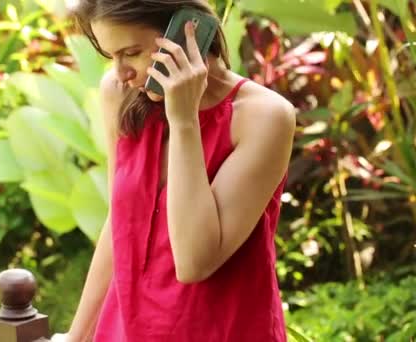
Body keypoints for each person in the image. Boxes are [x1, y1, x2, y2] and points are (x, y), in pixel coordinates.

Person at [57, 0, 295, 341]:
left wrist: (184, 122)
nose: (121, 72)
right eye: (112, 56)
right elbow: (121, 224)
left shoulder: (264, 117)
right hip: (125, 331)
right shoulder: (121, 94)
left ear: (188, 31)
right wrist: (76, 337)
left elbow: (194, 260)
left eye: (132, 52)